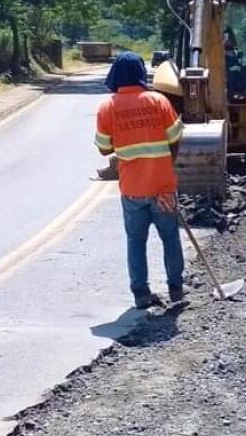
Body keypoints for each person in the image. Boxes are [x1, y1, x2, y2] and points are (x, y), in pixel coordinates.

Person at [95, 52, 186, 309]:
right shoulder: (159, 101)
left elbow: (103, 148)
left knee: (136, 241)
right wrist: (169, 165)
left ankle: (141, 294)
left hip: (133, 190)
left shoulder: (107, 108)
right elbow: (176, 137)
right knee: (170, 237)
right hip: (163, 188)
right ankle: (176, 290)